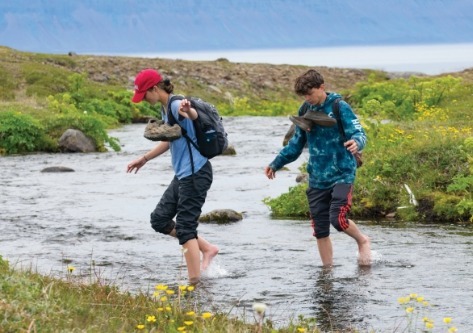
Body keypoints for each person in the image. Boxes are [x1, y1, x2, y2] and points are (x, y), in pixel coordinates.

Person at [264, 69, 371, 267]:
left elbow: (359, 132)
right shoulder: (305, 108)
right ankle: (326, 272)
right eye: (304, 95)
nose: (308, 98)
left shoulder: (340, 106)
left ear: (322, 87)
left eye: (310, 93)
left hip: (342, 173)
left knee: (338, 219)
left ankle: (362, 240)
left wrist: (356, 142)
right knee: (320, 229)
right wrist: (276, 163)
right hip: (317, 176)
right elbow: (296, 144)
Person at [127, 68, 219, 284]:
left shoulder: (177, 105)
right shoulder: (165, 108)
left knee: (186, 228)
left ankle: (194, 284)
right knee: (159, 219)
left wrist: (190, 111)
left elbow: (193, 116)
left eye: (145, 94)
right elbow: (171, 139)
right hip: (183, 175)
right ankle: (208, 249)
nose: (143, 100)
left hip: (196, 174)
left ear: (155, 88)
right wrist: (145, 158)